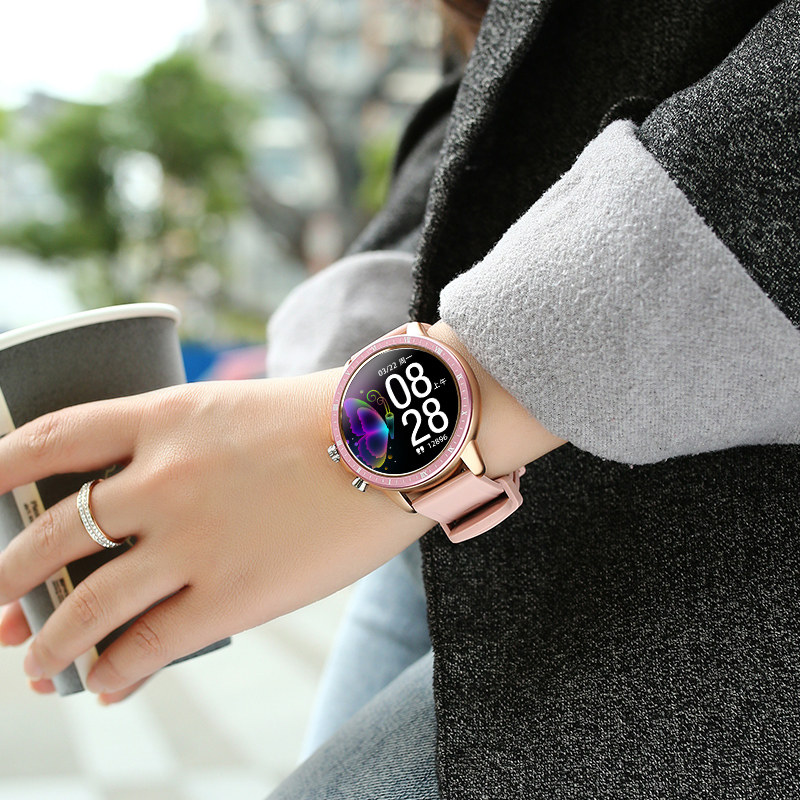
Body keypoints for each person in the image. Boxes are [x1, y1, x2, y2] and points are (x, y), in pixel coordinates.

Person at [1, 0, 798, 797]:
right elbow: (507, 93)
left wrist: (414, 410)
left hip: (717, 535)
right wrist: (273, 443)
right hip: (421, 520)